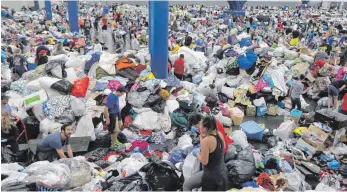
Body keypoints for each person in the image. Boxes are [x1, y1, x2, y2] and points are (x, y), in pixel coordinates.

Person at [191, 116, 228, 191]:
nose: (199, 126)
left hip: (212, 177)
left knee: (186, 185)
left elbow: (204, 161)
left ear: (205, 127)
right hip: (223, 172)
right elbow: (223, 149)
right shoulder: (219, 134)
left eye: (200, 124)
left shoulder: (207, 140)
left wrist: (197, 154)